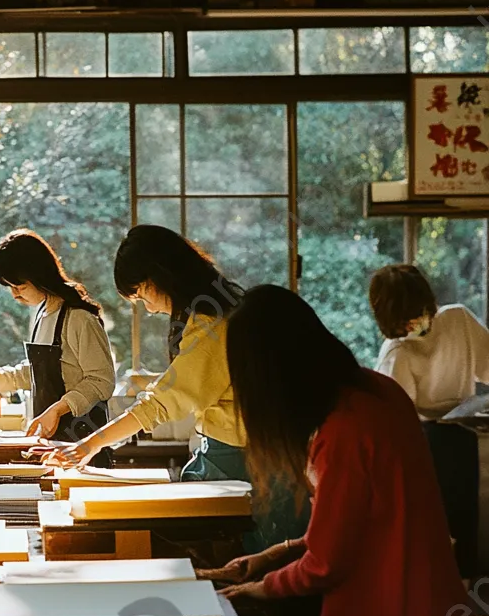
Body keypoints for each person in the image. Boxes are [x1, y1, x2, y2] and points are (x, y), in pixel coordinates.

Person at [217, 285, 482, 616]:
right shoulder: (373, 394)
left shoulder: (344, 430)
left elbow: (328, 565)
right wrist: (275, 556)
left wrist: (260, 591)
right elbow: (363, 525)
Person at [52, 224, 308, 550]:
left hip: (247, 463)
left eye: (142, 293)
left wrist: (90, 445)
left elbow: (161, 404)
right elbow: (181, 384)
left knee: (248, 566)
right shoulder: (219, 310)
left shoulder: (210, 324)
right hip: (246, 455)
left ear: (161, 278)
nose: (148, 307)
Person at [369, 263, 489, 579]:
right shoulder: (396, 353)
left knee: (465, 530)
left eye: (421, 312)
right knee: (440, 537)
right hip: (422, 449)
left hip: (466, 440)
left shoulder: (458, 319)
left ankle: (465, 598)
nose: (417, 324)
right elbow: (397, 422)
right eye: (405, 320)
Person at [0, 230, 116, 453]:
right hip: (50, 440)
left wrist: (58, 410)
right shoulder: (43, 313)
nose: (14, 295)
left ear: (41, 277)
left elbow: (101, 381)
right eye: (10, 287)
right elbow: (34, 374)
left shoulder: (79, 318)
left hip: (82, 440)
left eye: (20, 287)